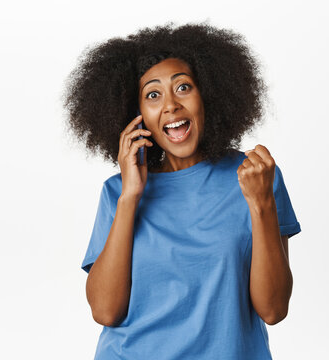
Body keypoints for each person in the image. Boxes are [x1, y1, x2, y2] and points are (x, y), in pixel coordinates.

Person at [62, 21, 301, 360]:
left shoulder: (257, 177)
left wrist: (261, 204)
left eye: (183, 87)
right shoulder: (118, 191)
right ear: (138, 116)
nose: (170, 105)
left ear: (210, 96)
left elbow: (274, 309)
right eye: (153, 95)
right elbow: (105, 311)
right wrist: (131, 196)